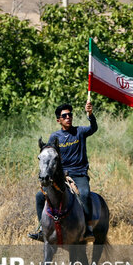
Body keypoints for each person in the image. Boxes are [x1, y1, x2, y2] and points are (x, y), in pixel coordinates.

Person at [29, 102, 98, 243]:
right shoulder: (55, 137)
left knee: (84, 194)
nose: (68, 117)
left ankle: (88, 228)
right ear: (58, 120)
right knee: (39, 197)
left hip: (79, 174)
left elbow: (93, 128)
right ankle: (42, 230)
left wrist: (90, 115)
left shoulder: (80, 132)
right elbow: (49, 156)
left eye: (70, 115)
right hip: (61, 176)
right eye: (64, 116)